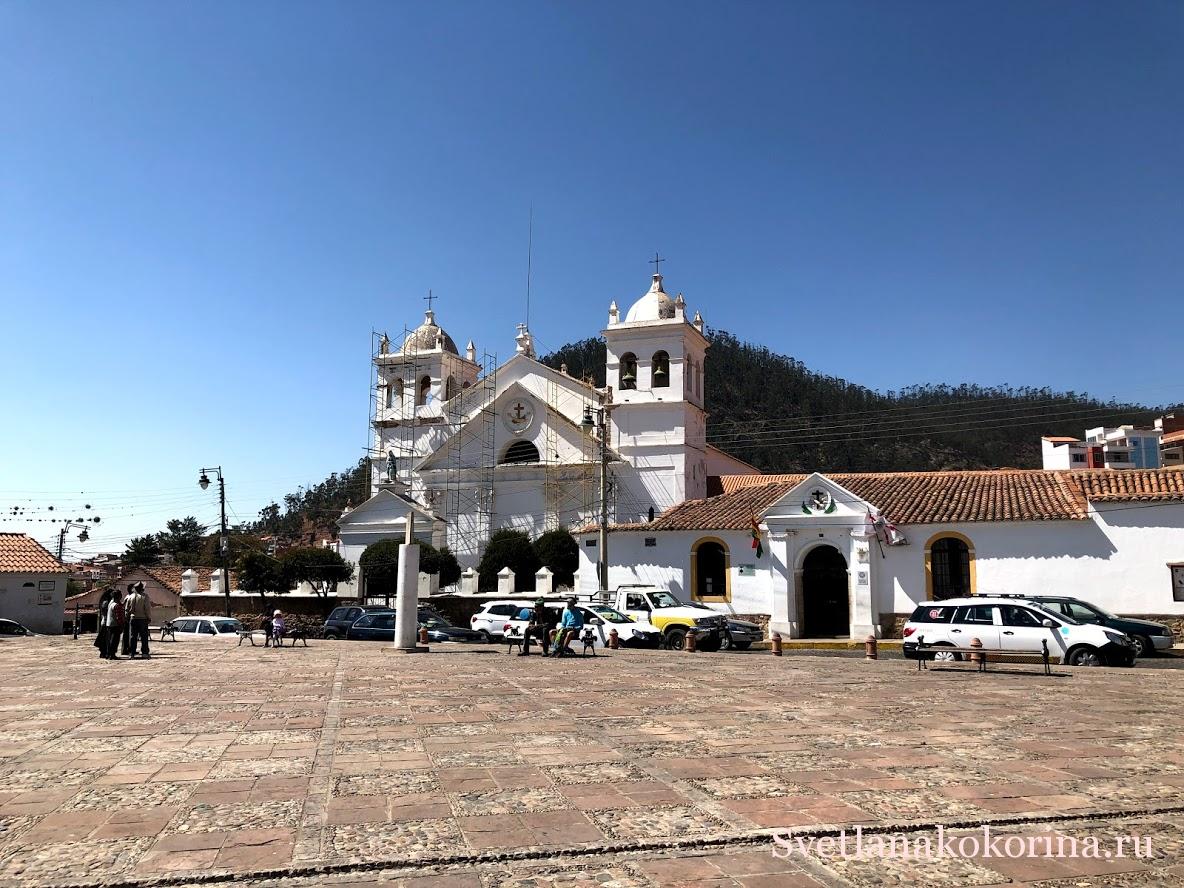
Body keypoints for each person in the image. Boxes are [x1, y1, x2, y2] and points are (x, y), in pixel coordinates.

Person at [125, 582, 152, 659]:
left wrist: (127, 617)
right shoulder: (145, 597)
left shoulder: (130, 597)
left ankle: (132, 653)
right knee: (144, 637)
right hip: (143, 619)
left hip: (133, 618)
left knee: (133, 637)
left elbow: (127, 609)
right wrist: (149, 617)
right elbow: (147, 608)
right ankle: (145, 653)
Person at [104, 589, 125, 660]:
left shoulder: (111, 603)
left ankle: (109, 654)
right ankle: (112, 654)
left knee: (110, 639)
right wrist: (121, 625)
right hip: (115, 625)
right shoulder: (116, 605)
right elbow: (118, 617)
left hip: (109, 624)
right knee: (114, 640)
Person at [94, 587, 114, 659]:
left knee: (104, 639)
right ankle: (104, 652)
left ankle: (104, 652)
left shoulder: (105, 602)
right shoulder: (107, 603)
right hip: (106, 622)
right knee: (105, 639)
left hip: (105, 622)